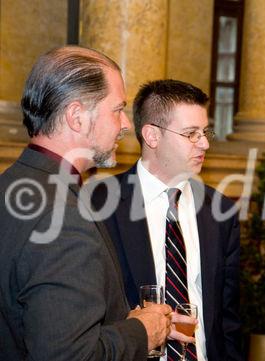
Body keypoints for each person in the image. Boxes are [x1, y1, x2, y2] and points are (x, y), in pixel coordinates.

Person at [0, 46, 194, 361]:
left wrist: (129, 321)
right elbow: (69, 354)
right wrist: (142, 333)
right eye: (117, 109)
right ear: (77, 117)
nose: (126, 125)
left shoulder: (12, 184)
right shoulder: (62, 219)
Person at [91, 79, 243, 361]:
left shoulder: (220, 210)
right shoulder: (97, 204)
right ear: (152, 136)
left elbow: (228, 320)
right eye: (191, 134)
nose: (205, 143)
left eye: (205, 132)